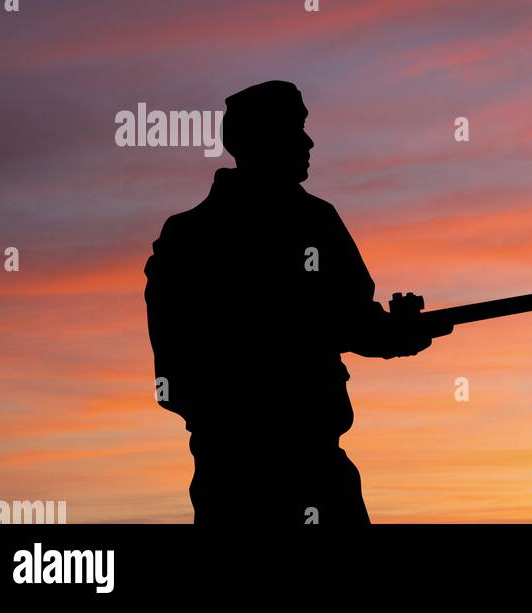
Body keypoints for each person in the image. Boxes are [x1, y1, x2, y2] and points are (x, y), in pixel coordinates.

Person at [143, 80, 450, 524]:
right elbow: (177, 369)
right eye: (294, 128)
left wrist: (398, 331)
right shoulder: (200, 236)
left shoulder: (203, 233)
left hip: (270, 469)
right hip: (255, 472)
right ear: (257, 139)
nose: (308, 141)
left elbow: (354, 324)